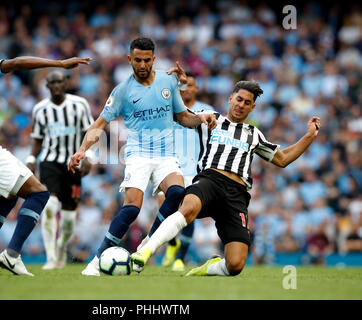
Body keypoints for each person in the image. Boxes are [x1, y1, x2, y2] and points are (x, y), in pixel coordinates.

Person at [132, 80, 321, 277]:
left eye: (247, 102)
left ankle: (209, 268)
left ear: (252, 107)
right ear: (230, 99)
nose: (241, 105)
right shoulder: (211, 119)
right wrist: (181, 92)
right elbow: (183, 118)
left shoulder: (254, 134)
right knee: (187, 208)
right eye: (239, 99)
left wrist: (309, 136)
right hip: (210, 180)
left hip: (236, 194)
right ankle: (145, 252)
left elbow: (282, 159)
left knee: (235, 265)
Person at [68, 37, 216, 276]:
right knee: (132, 209)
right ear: (130, 60)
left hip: (166, 154)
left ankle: (148, 244)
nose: (143, 64)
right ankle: (95, 262)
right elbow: (99, 124)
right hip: (138, 155)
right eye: (138, 59)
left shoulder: (168, 82)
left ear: (153, 59)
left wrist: (201, 117)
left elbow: (182, 117)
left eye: (147, 59)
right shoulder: (123, 91)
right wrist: (82, 150)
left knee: (178, 192)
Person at [0, 47, 91, 276]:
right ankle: (12, 255)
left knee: (9, 195)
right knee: (39, 193)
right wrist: (60, 64)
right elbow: (15, 62)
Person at [27, 70, 94, 270]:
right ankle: (50, 257)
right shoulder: (40, 109)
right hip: (50, 162)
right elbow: (37, 138)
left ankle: (61, 246)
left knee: (68, 220)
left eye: (59, 82)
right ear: (47, 86)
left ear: (66, 83)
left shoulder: (79, 104)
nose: (56, 86)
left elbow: (90, 132)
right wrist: (31, 159)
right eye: (52, 83)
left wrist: (89, 157)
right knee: (49, 207)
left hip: (73, 164)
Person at [159, 72, 215, 272]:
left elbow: (214, 139)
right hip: (168, 167)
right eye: (185, 85)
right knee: (165, 208)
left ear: (196, 88)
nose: (188, 89)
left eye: (192, 85)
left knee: (187, 212)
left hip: (194, 169)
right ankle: (172, 243)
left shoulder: (206, 111)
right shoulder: (167, 109)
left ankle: (180, 258)